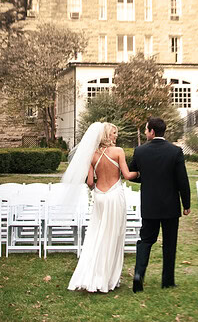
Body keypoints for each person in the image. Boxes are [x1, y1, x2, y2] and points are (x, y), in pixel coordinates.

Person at [65, 122, 139, 293]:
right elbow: (127, 175)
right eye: (114, 133)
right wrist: (141, 172)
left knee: (97, 235)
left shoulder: (91, 155)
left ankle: (93, 275)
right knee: (113, 236)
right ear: (106, 135)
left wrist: (98, 190)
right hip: (114, 196)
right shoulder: (118, 151)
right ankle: (107, 279)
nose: (116, 136)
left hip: (99, 196)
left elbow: (90, 182)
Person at [129, 117, 191, 293]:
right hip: (170, 206)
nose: (145, 133)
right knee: (170, 243)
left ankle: (138, 274)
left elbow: (134, 173)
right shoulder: (175, 151)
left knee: (146, 241)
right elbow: (182, 180)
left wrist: (146, 179)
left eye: (146, 130)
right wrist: (186, 204)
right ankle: (168, 281)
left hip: (149, 206)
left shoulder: (139, 151)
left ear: (152, 132)